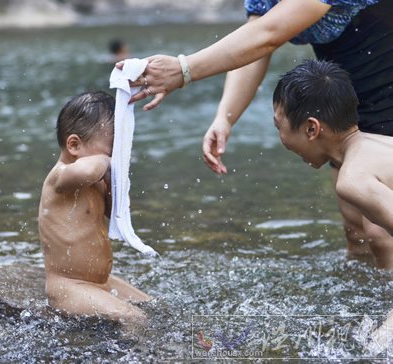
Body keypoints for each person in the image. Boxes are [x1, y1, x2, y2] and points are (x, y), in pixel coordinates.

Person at [120, 0, 393, 264]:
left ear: (310, 130)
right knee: (356, 231)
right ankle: (366, 297)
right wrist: (225, 117)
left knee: (379, 233)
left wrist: (183, 69)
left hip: (383, 82)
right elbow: (257, 37)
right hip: (338, 101)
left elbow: (269, 34)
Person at [38, 91, 151, 325]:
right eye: (111, 149)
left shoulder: (97, 180)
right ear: (74, 145)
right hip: (68, 286)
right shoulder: (60, 177)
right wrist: (107, 162)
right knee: (134, 319)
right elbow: (88, 170)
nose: (115, 157)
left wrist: (111, 184)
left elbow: (115, 214)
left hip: (101, 282)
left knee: (153, 306)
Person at [273, 60, 393, 267]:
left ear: (312, 128)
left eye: (278, 125)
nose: (280, 137)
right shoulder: (381, 143)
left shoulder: (353, 179)